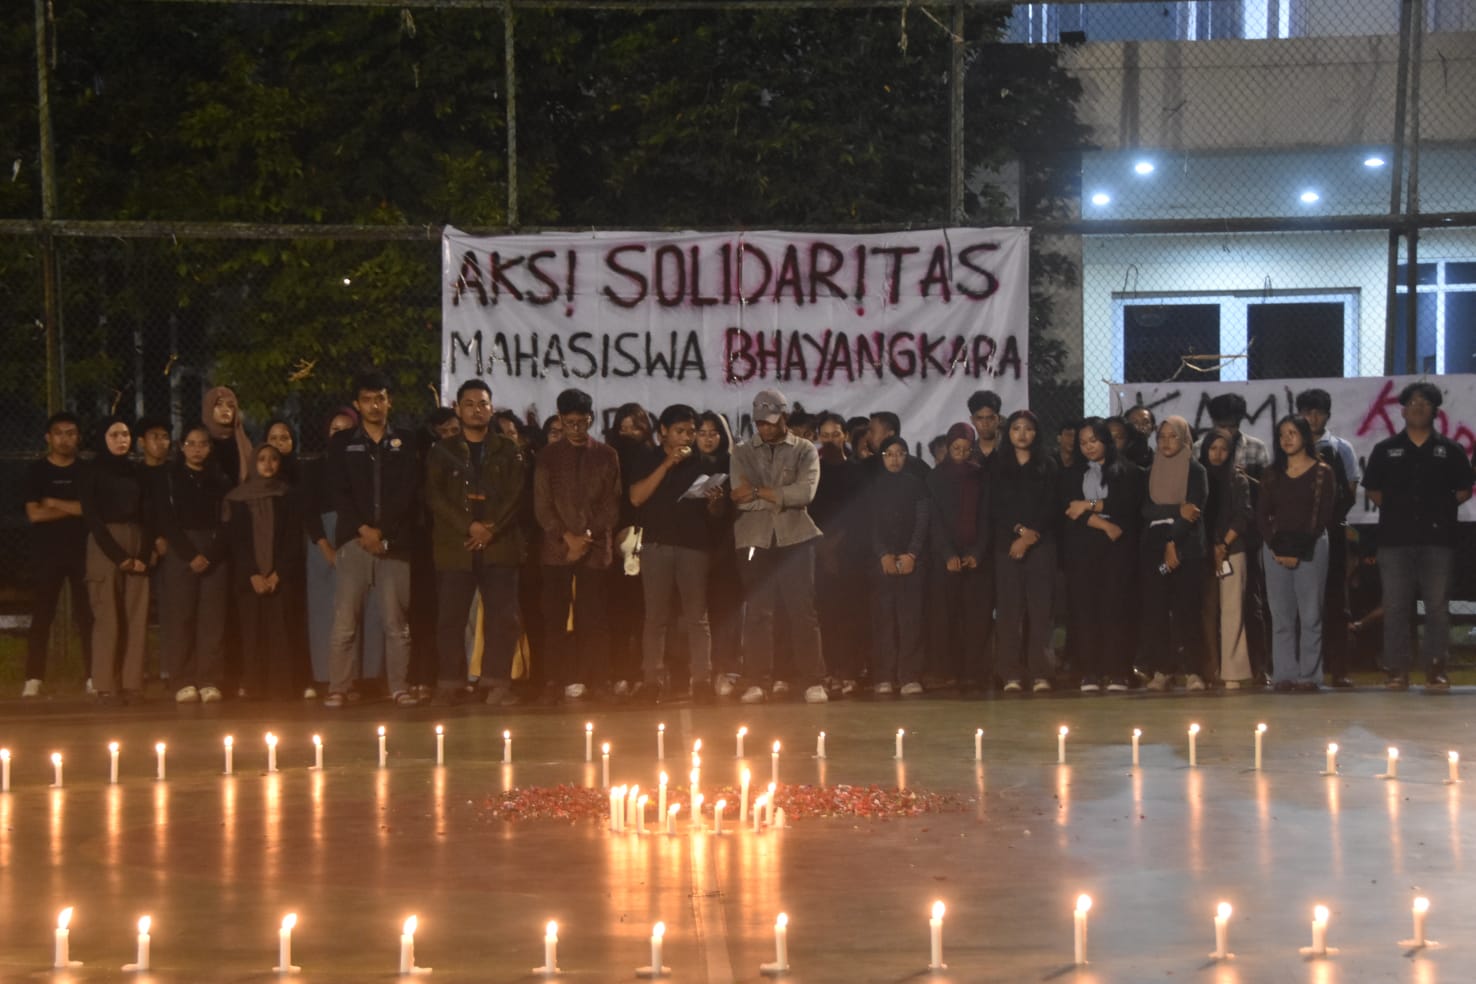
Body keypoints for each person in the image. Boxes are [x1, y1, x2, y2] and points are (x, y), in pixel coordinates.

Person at [1362, 381, 1475, 692]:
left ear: (1435, 410)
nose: (1418, 406)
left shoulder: (1450, 450)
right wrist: (1400, 512)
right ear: (1402, 410)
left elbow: (1464, 489)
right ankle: (1396, 671)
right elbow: (1373, 489)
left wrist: (1436, 512)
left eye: (1425, 402)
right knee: (1396, 606)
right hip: (1394, 540)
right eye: (1412, 402)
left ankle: (1436, 669)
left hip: (1438, 541)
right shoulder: (1385, 449)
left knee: (1437, 606)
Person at [323, 371, 420, 709]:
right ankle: (339, 686)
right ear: (356, 404)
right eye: (367, 399)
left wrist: (384, 531)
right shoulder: (342, 442)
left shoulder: (406, 441)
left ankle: (399, 687)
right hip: (355, 540)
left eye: (380, 398)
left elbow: (409, 491)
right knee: (346, 621)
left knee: (396, 622)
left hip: (395, 543)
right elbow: (338, 490)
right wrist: (363, 529)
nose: (374, 405)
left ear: (389, 401)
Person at [426, 380, 527, 706]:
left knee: (503, 617)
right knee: (450, 618)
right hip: (457, 547)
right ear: (458, 408)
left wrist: (491, 529)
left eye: (482, 403)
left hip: (500, 545)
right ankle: (450, 682)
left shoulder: (508, 449)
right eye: (469, 404)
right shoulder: (442, 451)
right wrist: (468, 526)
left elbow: (516, 495)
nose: (476, 409)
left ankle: (496, 683)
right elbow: (433, 496)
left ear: (491, 407)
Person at [730, 388, 829, 704]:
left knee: (802, 610)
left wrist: (759, 491)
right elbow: (739, 498)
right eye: (760, 423)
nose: (766, 428)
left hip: (796, 537)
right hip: (754, 539)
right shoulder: (742, 452)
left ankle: (813, 681)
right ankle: (757, 681)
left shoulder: (804, 450)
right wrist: (779, 495)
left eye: (771, 422)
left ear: (784, 417)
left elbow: (805, 494)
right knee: (758, 611)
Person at [628, 404, 723, 702]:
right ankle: (652, 680)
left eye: (690, 432)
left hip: (694, 547)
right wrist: (667, 464)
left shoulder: (703, 464)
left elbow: (716, 515)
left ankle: (702, 679)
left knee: (697, 617)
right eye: (680, 432)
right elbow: (636, 497)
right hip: (657, 545)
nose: (686, 438)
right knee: (656, 617)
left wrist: (714, 501)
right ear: (663, 432)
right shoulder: (648, 459)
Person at [535, 388, 621, 702]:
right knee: (555, 617)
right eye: (569, 423)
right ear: (559, 419)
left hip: (595, 549)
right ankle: (554, 680)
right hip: (557, 549)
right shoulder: (547, 457)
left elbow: (612, 505)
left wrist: (586, 537)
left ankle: (596, 679)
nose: (575, 429)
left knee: (594, 617)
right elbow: (542, 505)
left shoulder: (606, 455)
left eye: (581, 423)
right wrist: (566, 537)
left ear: (591, 419)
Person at [303, 408, 385, 700]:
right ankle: (332, 678)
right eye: (334, 429)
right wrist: (324, 546)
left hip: (359, 536)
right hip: (326, 539)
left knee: (368, 610)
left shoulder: (367, 463)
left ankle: (365, 676)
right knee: (331, 613)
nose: (339, 434)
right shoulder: (316, 467)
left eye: (346, 429)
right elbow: (309, 510)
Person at [1059, 417, 1143, 692]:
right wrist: (1104, 522)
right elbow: (1071, 511)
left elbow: (1124, 504)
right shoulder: (1073, 473)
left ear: (1105, 440)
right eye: (1083, 443)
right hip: (1085, 547)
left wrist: (1088, 504)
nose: (1088, 447)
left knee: (1115, 607)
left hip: (1118, 549)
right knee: (1086, 609)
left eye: (1093, 441)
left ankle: (1118, 670)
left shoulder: (1127, 471)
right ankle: (1090, 672)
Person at [1257, 415, 1336, 692]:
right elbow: (1262, 514)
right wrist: (1276, 547)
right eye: (1282, 434)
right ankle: (1284, 674)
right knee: (1281, 615)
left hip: (1310, 547)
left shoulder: (1322, 472)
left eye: (1292, 433)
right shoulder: (1271, 473)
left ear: (1305, 435)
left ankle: (1310, 676)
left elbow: (1322, 514)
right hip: (1275, 549)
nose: (1287, 439)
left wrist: (1298, 549)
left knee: (1311, 613)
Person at [154, 423, 231, 703]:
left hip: (213, 550)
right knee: (181, 616)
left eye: (203, 444)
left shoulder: (220, 480)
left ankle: (209, 678)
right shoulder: (170, 477)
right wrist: (190, 554)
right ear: (182, 446)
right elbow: (167, 519)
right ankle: (182, 680)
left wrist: (210, 554)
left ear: (210, 448)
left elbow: (226, 521)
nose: (197, 449)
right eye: (191, 443)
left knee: (212, 619)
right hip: (182, 550)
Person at [79, 417, 154, 705]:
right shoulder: (92, 471)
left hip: (136, 538)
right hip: (105, 543)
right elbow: (92, 517)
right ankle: (105, 682)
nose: (121, 440)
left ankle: (132, 681)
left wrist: (143, 555)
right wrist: (119, 557)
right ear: (103, 438)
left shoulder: (137, 472)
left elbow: (148, 512)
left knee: (136, 613)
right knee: (107, 614)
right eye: (114, 435)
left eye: (125, 435)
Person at [226, 443, 307, 699]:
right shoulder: (238, 498)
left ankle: (281, 688)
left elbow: (292, 538)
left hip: (280, 576)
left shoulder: (288, 495)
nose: (268, 464)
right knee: (252, 632)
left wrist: (277, 573)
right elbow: (237, 540)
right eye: (261, 459)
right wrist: (253, 573)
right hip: (249, 578)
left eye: (273, 459)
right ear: (253, 464)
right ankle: (255, 687)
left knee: (281, 631)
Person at [22, 412, 93, 697]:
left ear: (78, 437)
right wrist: (70, 507)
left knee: (87, 615)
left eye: (72, 433)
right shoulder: (36, 471)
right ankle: (33, 679)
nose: (66, 438)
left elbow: (89, 510)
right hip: (47, 554)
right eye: (60, 433)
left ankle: (93, 676)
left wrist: (53, 502)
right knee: (42, 616)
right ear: (48, 438)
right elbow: (35, 514)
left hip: (82, 551)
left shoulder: (86, 471)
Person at [1295, 388, 1360, 687]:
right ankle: (1303, 668)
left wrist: (1325, 519)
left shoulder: (1341, 448)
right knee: (1301, 602)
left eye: (1318, 411)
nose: (1313, 417)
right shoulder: (1290, 445)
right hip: (1297, 535)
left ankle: (1340, 669)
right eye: (1307, 411)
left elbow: (1350, 490)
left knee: (1336, 600)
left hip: (1331, 532)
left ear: (1328, 415)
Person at [992, 410, 1058, 693]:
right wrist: (1019, 533)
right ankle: (1010, 673)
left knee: (1041, 610)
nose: (1022, 434)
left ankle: (1040, 672)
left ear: (1037, 433)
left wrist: (1031, 536)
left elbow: (1052, 504)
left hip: (1041, 545)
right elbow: (994, 508)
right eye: (1016, 428)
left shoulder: (1048, 465)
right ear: (1008, 433)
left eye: (1028, 429)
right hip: (1006, 546)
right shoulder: (996, 464)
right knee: (1009, 611)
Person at [1140, 416, 1208, 693]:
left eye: (1173, 437)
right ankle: (1162, 670)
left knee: (1187, 611)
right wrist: (1173, 510)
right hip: (1154, 549)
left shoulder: (1195, 470)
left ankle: (1194, 671)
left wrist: (1172, 540)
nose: (1167, 442)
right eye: (1162, 437)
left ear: (1184, 439)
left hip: (1186, 547)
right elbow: (1146, 510)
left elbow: (1192, 511)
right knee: (1156, 610)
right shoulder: (1150, 470)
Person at [927, 422, 991, 693]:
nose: (961, 453)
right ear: (948, 447)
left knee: (976, 617)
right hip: (946, 559)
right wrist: (948, 554)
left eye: (966, 448)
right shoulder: (935, 478)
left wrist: (976, 552)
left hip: (976, 558)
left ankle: (974, 672)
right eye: (956, 448)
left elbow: (987, 517)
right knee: (946, 616)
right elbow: (934, 519)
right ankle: (947, 670)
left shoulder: (981, 476)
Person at [865, 435, 930, 696]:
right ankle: (884, 675)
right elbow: (870, 525)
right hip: (882, 563)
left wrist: (912, 554)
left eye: (900, 453)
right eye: (889, 454)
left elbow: (923, 521)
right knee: (883, 620)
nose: (894, 459)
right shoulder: (873, 486)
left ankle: (909, 676)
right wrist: (883, 554)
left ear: (907, 456)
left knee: (910, 619)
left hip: (912, 561)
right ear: (882, 457)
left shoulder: (917, 485)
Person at [812, 412, 867, 695]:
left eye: (836, 434)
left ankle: (850, 672)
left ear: (845, 435)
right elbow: (808, 510)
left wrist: (837, 543)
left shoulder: (856, 471)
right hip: (818, 554)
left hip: (849, 554)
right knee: (826, 616)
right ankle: (831, 671)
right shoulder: (813, 471)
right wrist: (822, 546)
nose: (831, 440)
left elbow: (859, 513)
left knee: (851, 615)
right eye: (825, 435)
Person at [1199, 431, 1252, 688]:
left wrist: (1223, 545)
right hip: (1202, 553)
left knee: (1232, 611)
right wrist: (1211, 547)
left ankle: (1233, 672)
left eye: (1223, 449)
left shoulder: (1238, 479)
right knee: (1206, 611)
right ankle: (1210, 668)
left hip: (1233, 550)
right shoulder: (1198, 477)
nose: (1217, 454)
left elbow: (1243, 516)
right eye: (1213, 448)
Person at [696, 411, 743, 695]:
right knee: (697, 614)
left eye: (714, 433)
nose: (708, 438)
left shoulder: (735, 466)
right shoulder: (688, 466)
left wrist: (719, 508)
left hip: (728, 551)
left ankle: (728, 668)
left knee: (728, 610)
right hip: (694, 549)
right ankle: (701, 669)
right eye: (702, 433)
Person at [202, 386, 252, 486]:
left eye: (230, 405)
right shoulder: (201, 441)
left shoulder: (242, 442)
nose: (225, 410)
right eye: (219, 405)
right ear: (209, 408)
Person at [967, 390, 1003, 463]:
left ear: (998, 419)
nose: (985, 424)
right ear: (972, 420)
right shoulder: (967, 454)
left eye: (990, 418)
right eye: (979, 418)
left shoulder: (1012, 449)